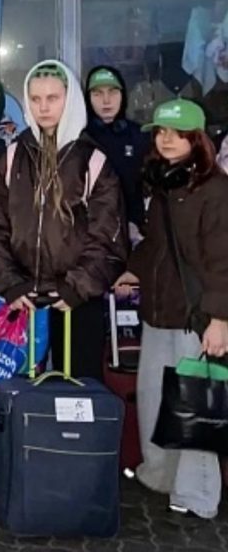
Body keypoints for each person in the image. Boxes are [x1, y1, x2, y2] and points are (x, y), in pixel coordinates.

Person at [0, 60, 128, 381]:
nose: (43, 107)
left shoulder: (92, 160)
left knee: (74, 393)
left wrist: (76, 288)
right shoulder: (12, 157)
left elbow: (107, 236)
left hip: (76, 303)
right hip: (22, 303)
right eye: (35, 99)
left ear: (69, 100)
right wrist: (10, 284)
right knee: (24, 398)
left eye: (53, 98)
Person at [112, 98, 227, 519]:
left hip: (196, 317)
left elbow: (223, 261)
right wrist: (132, 269)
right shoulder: (163, 183)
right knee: (154, 396)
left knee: (194, 406)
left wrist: (220, 320)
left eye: (177, 134)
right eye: (161, 132)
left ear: (197, 139)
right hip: (159, 312)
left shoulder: (216, 191)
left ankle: (197, 495)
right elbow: (157, 246)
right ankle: (159, 474)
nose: (166, 139)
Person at [84, 65, 149, 232]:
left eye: (112, 92)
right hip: (90, 230)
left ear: (123, 95)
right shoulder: (79, 138)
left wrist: (137, 223)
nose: (106, 100)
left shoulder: (139, 136)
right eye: (98, 93)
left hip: (132, 228)